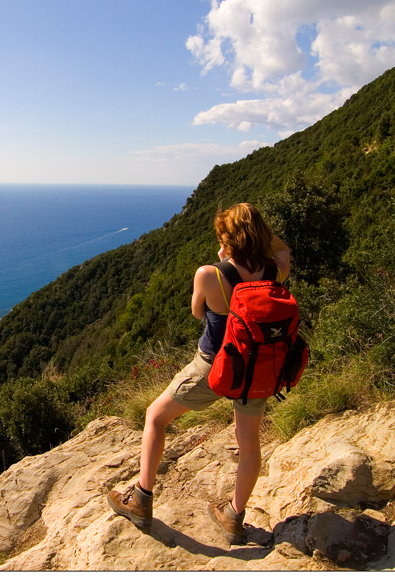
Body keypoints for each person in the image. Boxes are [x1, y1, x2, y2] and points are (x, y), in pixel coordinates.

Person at [106, 202, 291, 545]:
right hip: (256, 370)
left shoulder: (210, 274)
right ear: (259, 234)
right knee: (249, 446)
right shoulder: (274, 269)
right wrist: (260, 233)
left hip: (213, 368)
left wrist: (223, 257)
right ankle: (234, 518)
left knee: (155, 417)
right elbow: (284, 249)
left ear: (228, 238)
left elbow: (197, 312)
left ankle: (141, 500)